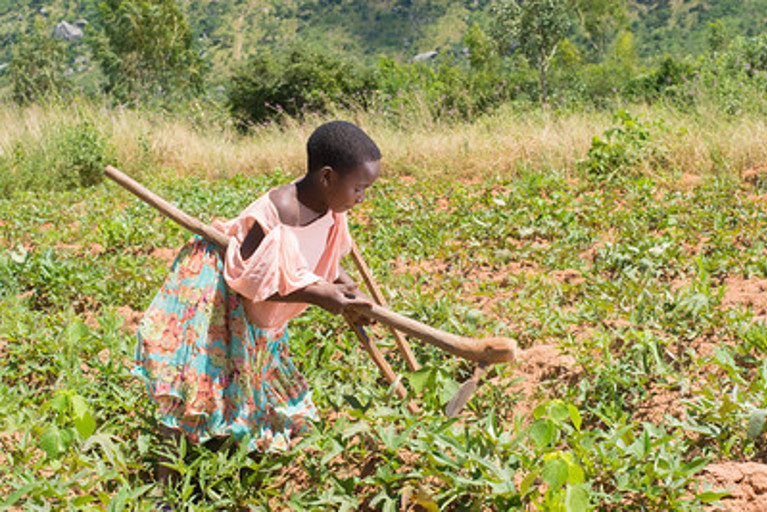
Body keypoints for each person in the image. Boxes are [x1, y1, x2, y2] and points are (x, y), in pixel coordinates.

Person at [132, 120, 380, 486]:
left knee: (259, 386)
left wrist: (345, 289)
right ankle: (164, 491)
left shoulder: (332, 212)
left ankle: (251, 468)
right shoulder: (277, 211)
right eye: (358, 188)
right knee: (193, 391)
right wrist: (316, 293)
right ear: (327, 177)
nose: (362, 197)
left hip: (262, 319)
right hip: (221, 306)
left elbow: (324, 259)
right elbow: (249, 281)